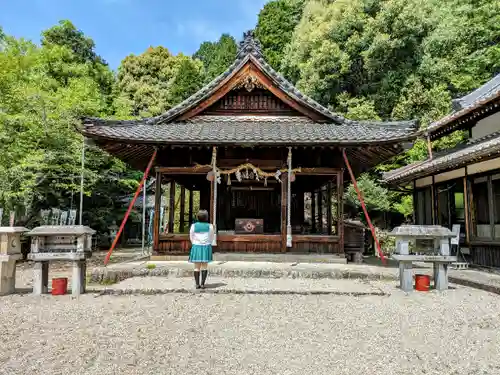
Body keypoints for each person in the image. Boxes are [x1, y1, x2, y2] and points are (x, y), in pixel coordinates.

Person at [189, 210, 214, 289]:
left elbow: (191, 236)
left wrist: (195, 243)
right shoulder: (210, 226)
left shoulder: (193, 226)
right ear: (206, 218)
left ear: (198, 217)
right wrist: (208, 242)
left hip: (196, 246)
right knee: (205, 266)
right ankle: (202, 284)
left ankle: (197, 284)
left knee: (196, 267)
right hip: (206, 246)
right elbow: (211, 237)